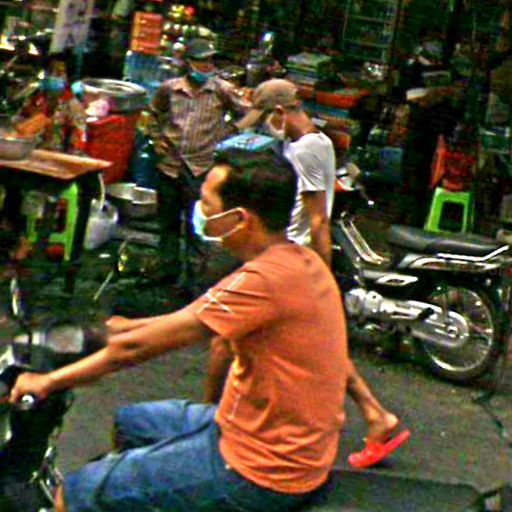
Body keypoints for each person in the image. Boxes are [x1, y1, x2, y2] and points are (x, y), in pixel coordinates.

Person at [10, 149, 350, 512]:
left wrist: (46, 381)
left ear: (239, 218)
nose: (200, 211)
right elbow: (183, 322)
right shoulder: (300, 260)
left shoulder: (263, 280)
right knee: (132, 423)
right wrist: (112, 330)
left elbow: (135, 349)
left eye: (207, 204)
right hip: (257, 431)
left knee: (79, 491)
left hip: (260, 466)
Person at [232, 78, 410, 468]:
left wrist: (321, 274)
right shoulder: (310, 143)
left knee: (271, 342)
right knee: (309, 346)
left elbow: (318, 220)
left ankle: (349, 418)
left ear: (280, 113)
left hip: (294, 259)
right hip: (288, 257)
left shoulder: (308, 149)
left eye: (266, 118)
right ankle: (371, 415)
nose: (265, 127)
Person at [149, 37, 250, 283]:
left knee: (198, 228)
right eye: (201, 61)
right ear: (188, 63)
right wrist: (156, 139)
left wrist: (228, 133)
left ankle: (196, 279)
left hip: (200, 169)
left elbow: (248, 112)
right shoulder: (170, 89)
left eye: (209, 61)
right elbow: (152, 115)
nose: (207, 66)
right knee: (168, 223)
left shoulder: (221, 90)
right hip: (170, 166)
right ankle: (167, 270)